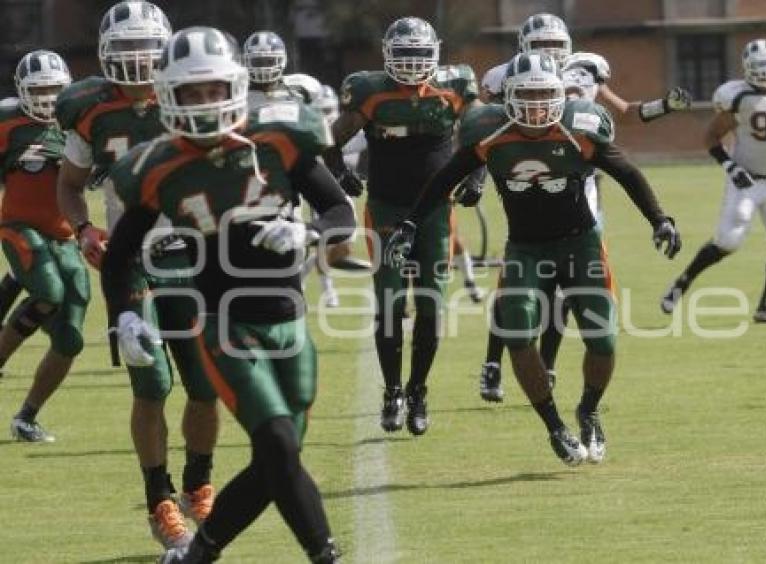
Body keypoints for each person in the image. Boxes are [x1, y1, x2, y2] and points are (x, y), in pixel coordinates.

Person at [102, 26, 350, 563]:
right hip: (224, 322)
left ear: (234, 87)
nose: (204, 102)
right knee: (280, 446)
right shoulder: (158, 165)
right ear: (169, 94)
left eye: (213, 89)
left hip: (290, 319)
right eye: (191, 92)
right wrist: (123, 316)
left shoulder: (279, 138)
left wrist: (309, 232)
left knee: (275, 458)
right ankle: (325, 555)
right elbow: (121, 252)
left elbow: (341, 212)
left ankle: (198, 556)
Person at [385, 52, 681, 464]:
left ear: (560, 93)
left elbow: (626, 171)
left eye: (544, 94)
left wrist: (659, 219)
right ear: (508, 96)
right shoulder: (488, 131)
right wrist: (412, 223)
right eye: (527, 94)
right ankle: (555, 426)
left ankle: (589, 410)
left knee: (603, 339)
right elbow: (443, 180)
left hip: (581, 243)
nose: (537, 104)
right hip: (525, 248)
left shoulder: (579, 126)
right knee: (519, 334)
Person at [55, 1, 217, 548]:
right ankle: (159, 501)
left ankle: (198, 481)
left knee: (203, 386)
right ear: (104, 55)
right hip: (129, 258)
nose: (138, 60)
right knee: (152, 381)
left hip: (191, 257)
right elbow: (71, 183)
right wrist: (82, 230)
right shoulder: (89, 108)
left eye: (146, 47)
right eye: (125, 50)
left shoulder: (192, 92)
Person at [476, 12, 692, 402]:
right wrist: (476, 177)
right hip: (525, 176)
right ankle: (493, 363)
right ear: (524, 47)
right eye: (541, 46)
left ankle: (549, 364)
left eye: (556, 46)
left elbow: (626, 112)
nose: (550, 53)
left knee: (564, 283)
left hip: (582, 180)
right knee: (516, 283)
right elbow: (484, 132)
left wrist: (665, 105)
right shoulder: (505, 76)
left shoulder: (587, 70)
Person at [322, 16, 481, 436]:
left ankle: (418, 390)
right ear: (388, 56)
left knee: (431, 305)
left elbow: (482, 133)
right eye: (404, 56)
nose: (411, 65)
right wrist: (340, 173)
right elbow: (329, 140)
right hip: (388, 208)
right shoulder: (369, 92)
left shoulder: (455, 87)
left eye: (419, 55)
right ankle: (392, 390)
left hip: (435, 212)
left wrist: (477, 176)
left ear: (435, 54)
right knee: (390, 301)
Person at [660, 39, 766, 322]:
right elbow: (710, 137)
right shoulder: (737, 97)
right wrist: (730, 167)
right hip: (746, 182)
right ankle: (682, 283)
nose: (765, 74)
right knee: (729, 240)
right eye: (759, 68)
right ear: (747, 69)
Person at [0, 50, 85, 442]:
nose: (49, 97)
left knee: (70, 339)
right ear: (22, 91)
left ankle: (27, 417)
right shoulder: (8, 122)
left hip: (66, 235)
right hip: (18, 226)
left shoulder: (81, 120)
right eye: (40, 89)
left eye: (55, 89)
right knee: (48, 290)